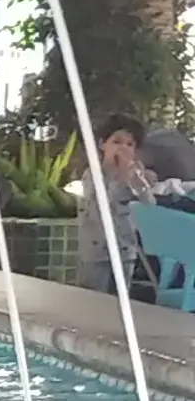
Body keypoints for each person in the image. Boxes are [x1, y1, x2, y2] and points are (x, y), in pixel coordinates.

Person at [77, 113, 160, 296]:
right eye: (117, 142)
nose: (123, 148)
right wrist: (120, 179)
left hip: (125, 250)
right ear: (102, 145)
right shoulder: (93, 175)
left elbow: (150, 206)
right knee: (94, 299)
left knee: (120, 298)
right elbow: (100, 209)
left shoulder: (134, 175)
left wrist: (141, 183)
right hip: (97, 252)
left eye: (130, 144)